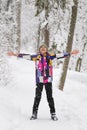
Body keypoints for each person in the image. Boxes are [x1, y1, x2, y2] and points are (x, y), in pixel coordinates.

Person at [8, 44, 79, 121]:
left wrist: (71, 53)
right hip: (39, 79)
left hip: (48, 79)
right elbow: (26, 56)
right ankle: (34, 113)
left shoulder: (50, 56)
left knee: (50, 97)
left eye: (44, 47)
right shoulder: (36, 57)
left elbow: (60, 55)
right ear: (39, 50)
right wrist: (15, 54)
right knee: (37, 97)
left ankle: (53, 113)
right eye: (41, 48)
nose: (43, 48)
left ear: (46, 50)